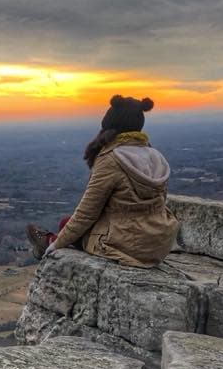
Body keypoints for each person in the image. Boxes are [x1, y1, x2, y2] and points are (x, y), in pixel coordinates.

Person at [26, 95, 179, 268]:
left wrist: (56, 245)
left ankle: (47, 241)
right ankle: (50, 239)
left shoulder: (111, 159)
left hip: (130, 246)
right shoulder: (154, 156)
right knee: (71, 225)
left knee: (66, 224)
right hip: (159, 242)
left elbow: (86, 214)